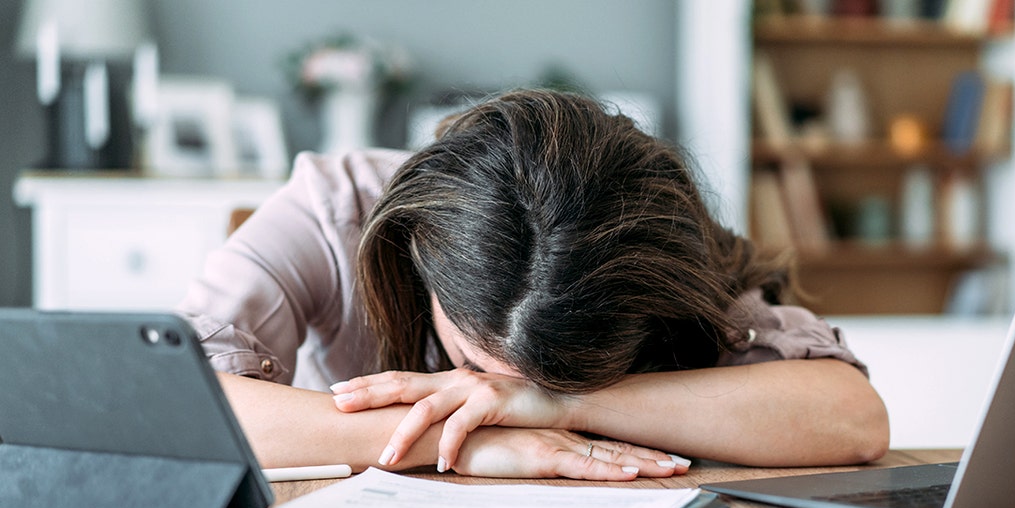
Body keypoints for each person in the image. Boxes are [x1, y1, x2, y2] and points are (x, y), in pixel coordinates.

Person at [177, 89, 888, 481]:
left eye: (550, 379)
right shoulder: (334, 207)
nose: (495, 394)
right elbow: (181, 409)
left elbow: (853, 418)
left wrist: (555, 406)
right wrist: (472, 443)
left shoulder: (643, 247)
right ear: (418, 259)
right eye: (473, 366)